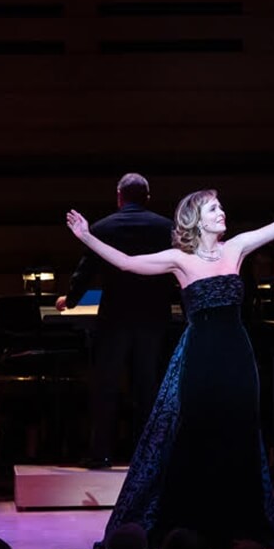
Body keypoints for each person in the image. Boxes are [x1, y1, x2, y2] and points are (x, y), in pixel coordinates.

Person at [65, 191, 274, 549]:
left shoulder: (236, 249)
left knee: (239, 433)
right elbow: (126, 262)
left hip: (237, 357)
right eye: (214, 208)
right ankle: (194, 520)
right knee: (197, 434)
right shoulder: (179, 260)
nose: (222, 212)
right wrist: (87, 237)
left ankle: (237, 519)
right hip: (201, 356)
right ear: (196, 220)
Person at [57, 173, 175, 468]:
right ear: (148, 197)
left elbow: (85, 272)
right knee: (148, 387)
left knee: (106, 386)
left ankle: (100, 454)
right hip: (154, 318)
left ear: (119, 196)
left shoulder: (102, 228)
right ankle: (148, 457)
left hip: (115, 319)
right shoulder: (166, 228)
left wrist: (69, 300)